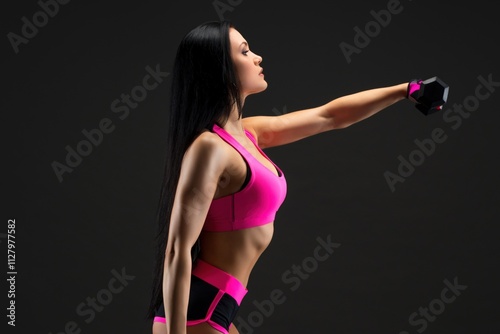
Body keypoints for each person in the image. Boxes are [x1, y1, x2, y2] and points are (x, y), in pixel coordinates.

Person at [146, 20, 443, 334]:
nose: (258, 57)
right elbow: (178, 249)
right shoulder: (210, 148)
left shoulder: (249, 134)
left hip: (219, 307)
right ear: (219, 69)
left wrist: (403, 91)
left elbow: (328, 116)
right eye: (245, 52)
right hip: (197, 313)